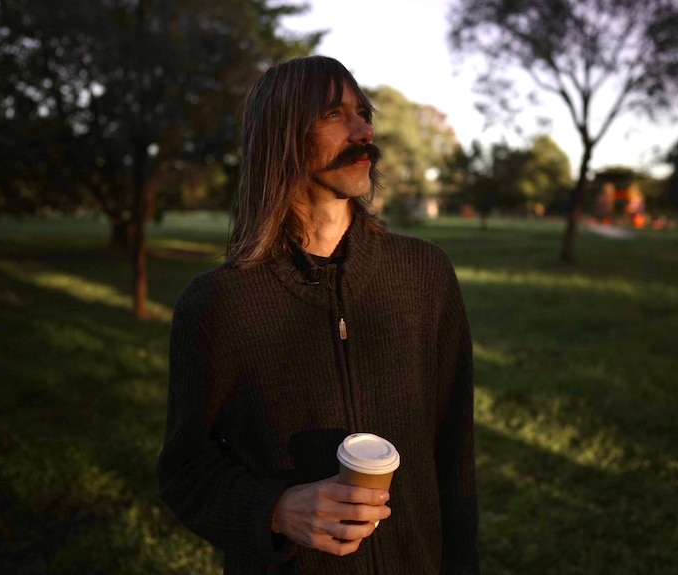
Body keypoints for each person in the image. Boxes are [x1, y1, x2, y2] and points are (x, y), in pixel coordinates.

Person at [157, 55, 480, 574]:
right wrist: (277, 510)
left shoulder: (426, 275)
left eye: (362, 111)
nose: (363, 130)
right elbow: (186, 472)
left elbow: (455, 457)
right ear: (280, 138)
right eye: (334, 115)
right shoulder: (218, 304)